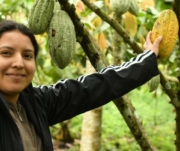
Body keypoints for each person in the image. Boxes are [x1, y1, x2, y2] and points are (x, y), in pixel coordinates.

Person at [0, 20, 162, 151]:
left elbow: (94, 88)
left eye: (27, 55)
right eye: (6, 53)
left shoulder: (35, 102)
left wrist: (147, 60)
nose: (19, 63)